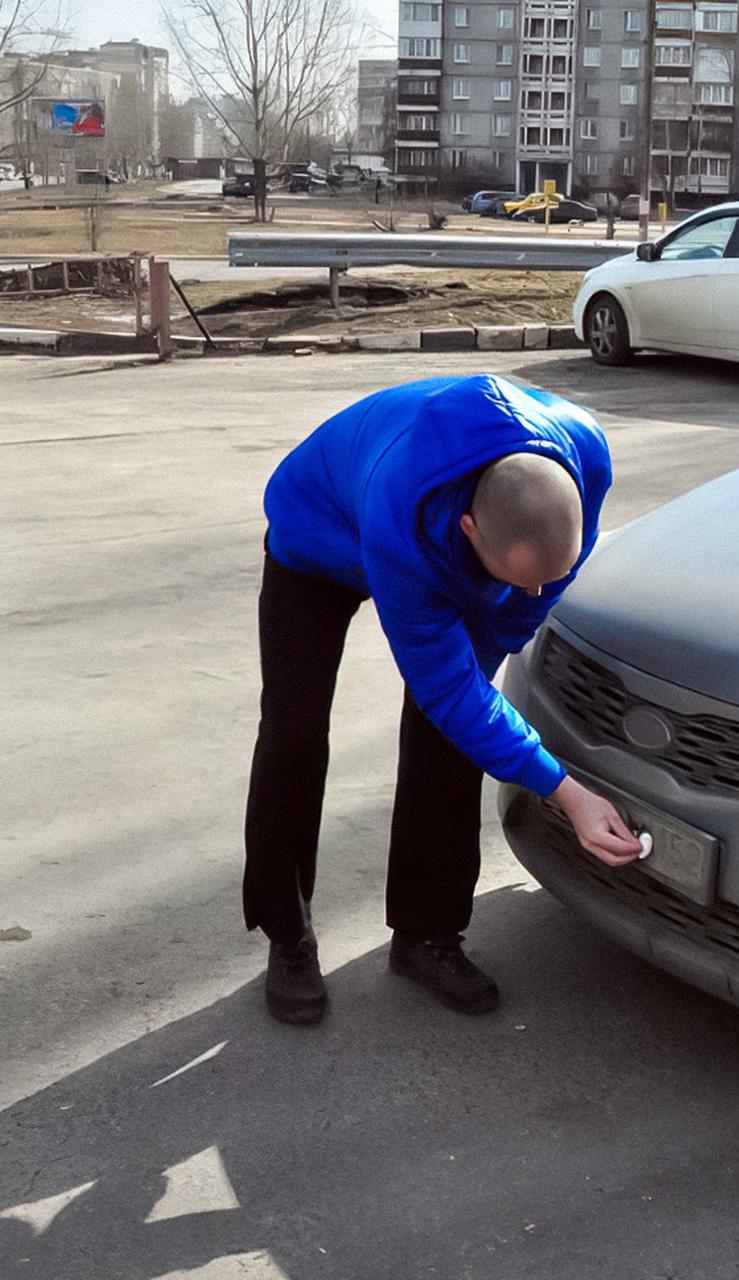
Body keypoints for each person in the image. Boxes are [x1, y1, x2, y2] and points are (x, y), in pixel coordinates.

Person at [243, 374, 641, 1026]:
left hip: (446, 535)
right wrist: (566, 791)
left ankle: (427, 935)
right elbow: (449, 688)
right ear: (469, 529)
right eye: (523, 582)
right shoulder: (402, 519)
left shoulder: (584, 456)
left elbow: (510, 627)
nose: (539, 595)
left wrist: (480, 683)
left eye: (549, 580)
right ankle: (287, 935)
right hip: (319, 538)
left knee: (455, 731)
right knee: (295, 730)